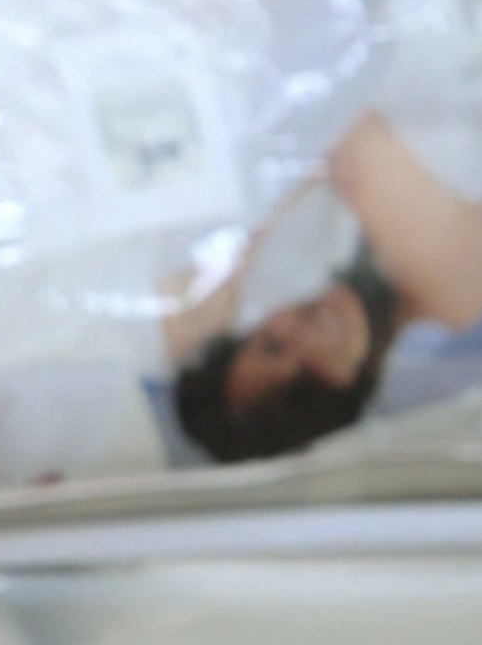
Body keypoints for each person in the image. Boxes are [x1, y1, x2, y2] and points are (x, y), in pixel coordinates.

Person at [174, 112, 482, 462]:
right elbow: (339, 124)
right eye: (310, 380)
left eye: (273, 344)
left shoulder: (342, 267)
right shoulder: (449, 297)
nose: (308, 338)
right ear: (347, 403)